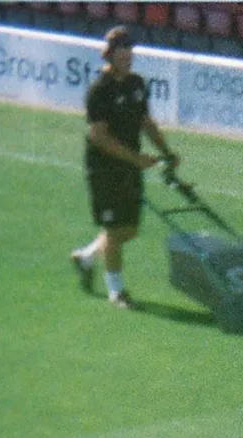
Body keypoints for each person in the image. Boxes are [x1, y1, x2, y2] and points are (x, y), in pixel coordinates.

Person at [69, 26, 178, 309]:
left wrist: (166, 151)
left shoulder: (137, 84)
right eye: (122, 50)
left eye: (130, 50)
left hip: (129, 165)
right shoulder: (99, 91)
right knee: (116, 229)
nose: (128, 55)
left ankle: (86, 258)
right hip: (105, 168)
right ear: (109, 54)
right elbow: (99, 136)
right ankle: (116, 291)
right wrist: (136, 159)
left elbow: (146, 122)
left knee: (129, 229)